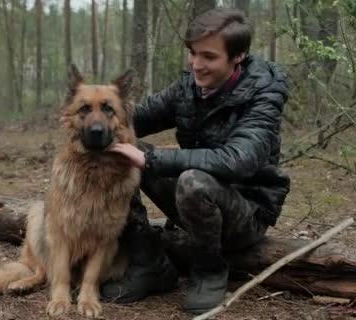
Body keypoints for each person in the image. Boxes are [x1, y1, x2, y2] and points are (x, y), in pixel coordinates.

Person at [100, 8, 291, 315]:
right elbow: (134, 117)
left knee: (190, 180)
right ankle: (150, 263)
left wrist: (149, 159)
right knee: (124, 148)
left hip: (247, 213)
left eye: (209, 57)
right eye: (192, 53)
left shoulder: (264, 95)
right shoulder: (189, 86)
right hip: (194, 204)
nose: (196, 65)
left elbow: (238, 160)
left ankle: (210, 270)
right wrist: (94, 118)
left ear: (238, 56)